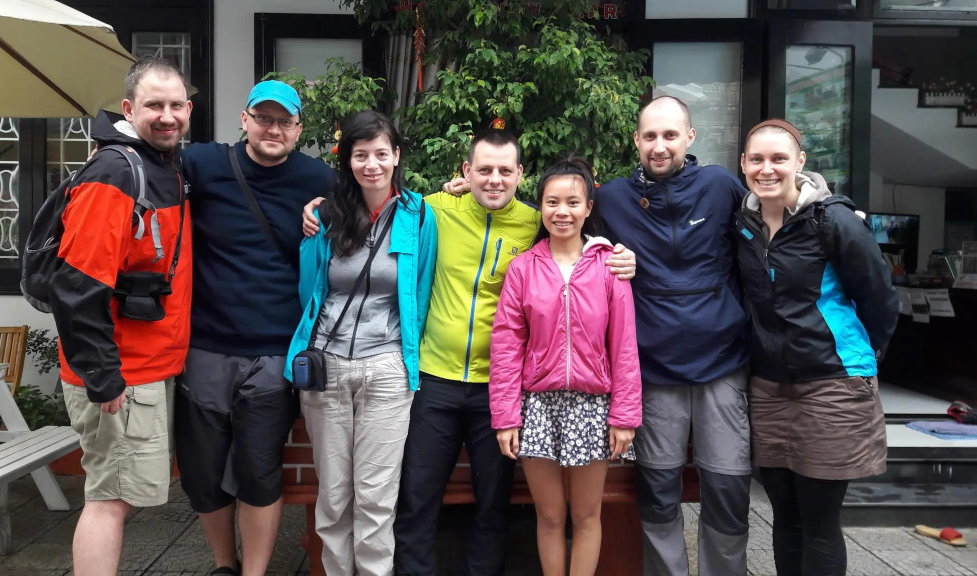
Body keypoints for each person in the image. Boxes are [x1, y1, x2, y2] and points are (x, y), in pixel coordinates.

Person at [303, 129, 635, 576]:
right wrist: (321, 209)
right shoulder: (433, 210)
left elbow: (576, 243)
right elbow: (376, 199)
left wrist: (621, 256)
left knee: (493, 505)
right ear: (466, 171)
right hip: (434, 379)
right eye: (484, 170)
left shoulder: (534, 221)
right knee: (417, 498)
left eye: (504, 171)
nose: (494, 179)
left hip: (497, 388)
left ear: (520, 174)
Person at [175, 80, 333, 576]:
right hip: (205, 347)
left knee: (259, 471)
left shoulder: (319, 179)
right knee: (202, 474)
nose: (273, 129)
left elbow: (382, 198)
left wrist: (453, 193)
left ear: (299, 129)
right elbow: (145, 162)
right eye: (264, 118)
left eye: (285, 121)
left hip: (274, 352)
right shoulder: (202, 164)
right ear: (244, 120)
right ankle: (225, 565)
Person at [594, 95, 752, 576]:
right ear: (636, 140)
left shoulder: (721, 186)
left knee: (727, 489)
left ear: (690, 137)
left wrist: (831, 206)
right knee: (658, 493)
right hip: (653, 367)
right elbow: (561, 224)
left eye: (669, 135)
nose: (659, 146)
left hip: (722, 362)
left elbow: (773, 224)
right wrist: (461, 191)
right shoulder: (611, 198)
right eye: (649, 136)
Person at [734, 118, 898, 576]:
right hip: (769, 386)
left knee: (819, 523)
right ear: (743, 164)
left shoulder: (833, 220)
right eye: (757, 160)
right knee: (784, 517)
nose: (767, 169)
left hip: (831, 384)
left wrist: (864, 357)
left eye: (778, 159)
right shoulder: (743, 222)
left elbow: (881, 298)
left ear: (800, 162)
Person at [52, 56, 192, 576]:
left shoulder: (162, 163)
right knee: (109, 500)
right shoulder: (114, 172)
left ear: (189, 109)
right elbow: (76, 285)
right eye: (154, 105)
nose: (167, 116)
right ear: (129, 109)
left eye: (176, 105)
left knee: (120, 495)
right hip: (122, 374)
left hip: (147, 368)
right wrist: (103, 375)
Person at [285, 109, 438, 576]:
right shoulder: (325, 214)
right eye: (360, 155)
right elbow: (309, 288)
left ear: (397, 156)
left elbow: (420, 291)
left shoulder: (418, 214)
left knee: (376, 499)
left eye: (381, 154)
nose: (372, 164)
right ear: (347, 160)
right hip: (327, 367)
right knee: (333, 497)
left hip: (388, 369)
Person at [489, 157, 641, 576]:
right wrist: (505, 417)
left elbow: (624, 346)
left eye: (573, 202)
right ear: (540, 206)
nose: (562, 212)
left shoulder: (609, 266)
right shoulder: (523, 268)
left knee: (587, 515)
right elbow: (506, 346)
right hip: (538, 405)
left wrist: (624, 416)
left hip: (592, 406)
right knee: (551, 514)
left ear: (588, 207)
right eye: (552, 202)